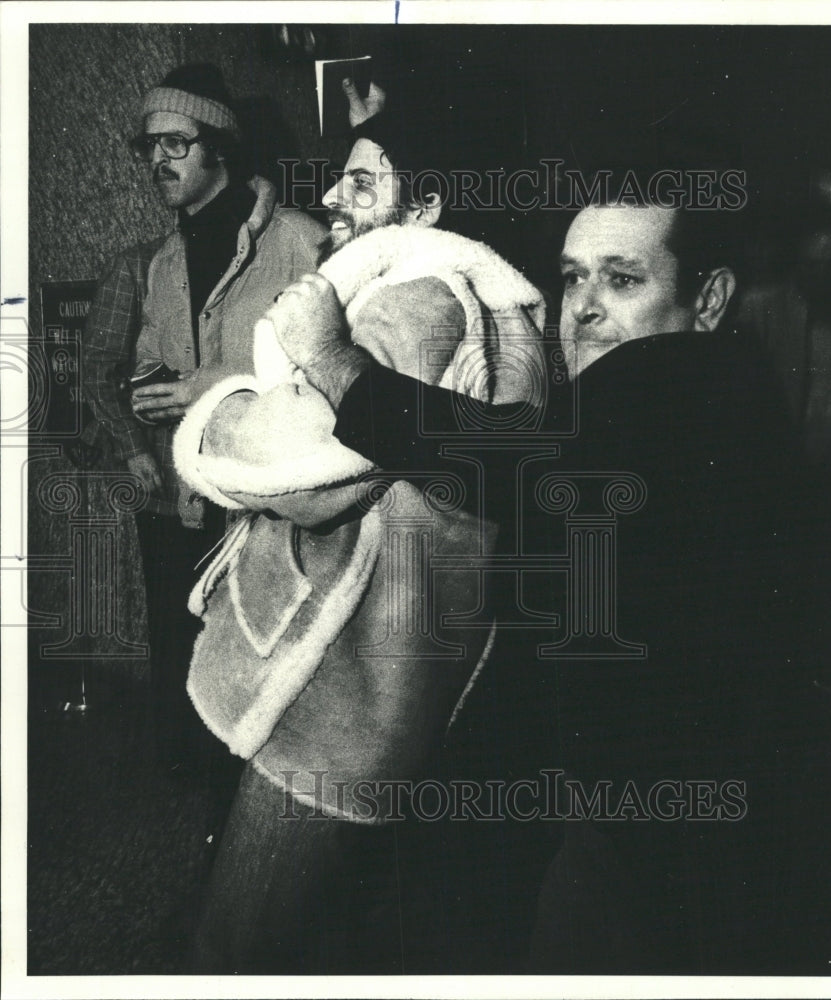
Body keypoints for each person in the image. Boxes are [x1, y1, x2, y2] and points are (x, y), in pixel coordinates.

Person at [267, 193, 831, 974]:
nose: (585, 309)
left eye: (623, 280)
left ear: (707, 299)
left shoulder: (679, 387)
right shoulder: (713, 386)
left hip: (670, 825)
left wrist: (335, 358)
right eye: (574, 279)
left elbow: (514, 458)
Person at [170, 87, 547, 973]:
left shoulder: (418, 295)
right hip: (387, 691)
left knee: (239, 947)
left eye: (361, 184)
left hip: (333, 699)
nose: (333, 199)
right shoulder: (495, 302)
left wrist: (214, 410)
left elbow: (299, 469)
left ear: (425, 208)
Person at [83, 63, 325, 787]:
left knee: (268, 684)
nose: (159, 159)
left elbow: (330, 387)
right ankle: (206, 826)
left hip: (264, 511)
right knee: (191, 680)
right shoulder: (161, 263)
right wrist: (148, 395)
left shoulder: (300, 243)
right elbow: (147, 365)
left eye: (177, 143)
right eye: (150, 145)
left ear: (221, 146)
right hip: (182, 506)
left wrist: (207, 390)